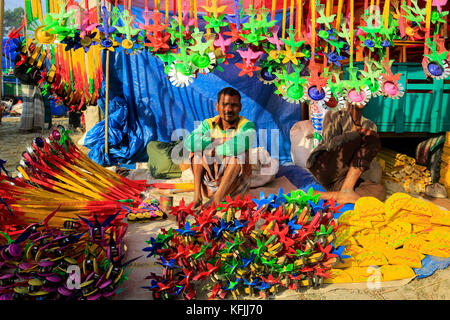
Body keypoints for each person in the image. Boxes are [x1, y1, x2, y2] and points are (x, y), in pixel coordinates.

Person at [184, 87, 256, 208]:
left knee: (239, 155)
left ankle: (216, 201)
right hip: (209, 184)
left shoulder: (247, 125)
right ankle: (197, 197)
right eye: (225, 104)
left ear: (240, 107)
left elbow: (241, 143)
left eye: (234, 105)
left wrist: (213, 149)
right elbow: (189, 142)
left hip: (233, 187)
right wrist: (217, 144)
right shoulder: (208, 124)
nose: (229, 109)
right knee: (196, 152)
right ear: (217, 106)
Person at [306, 102, 386, 204]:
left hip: (342, 179)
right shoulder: (334, 115)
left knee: (379, 190)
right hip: (326, 168)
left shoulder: (370, 125)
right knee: (371, 137)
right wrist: (357, 133)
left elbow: (365, 158)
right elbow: (329, 145)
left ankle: (335, 195)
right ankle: (346, 191)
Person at [13, 43, 45, 133]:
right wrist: (28, 78)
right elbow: (17, 72)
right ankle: (25, 127)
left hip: (36, 83)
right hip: (26, 84)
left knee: (38, 105)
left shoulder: (38, 55)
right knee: (28, 106)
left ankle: (37, 126)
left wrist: (38, 77)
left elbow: (40, 68)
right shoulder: (19, 57)